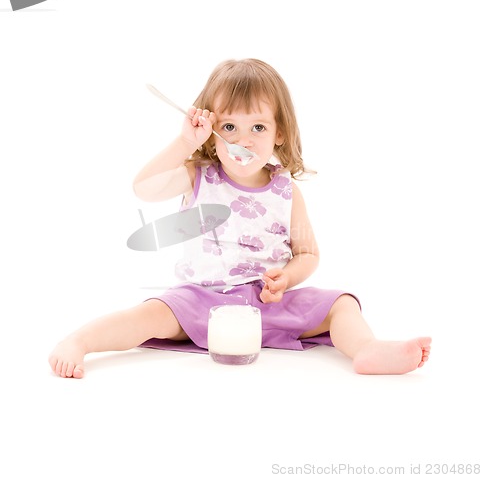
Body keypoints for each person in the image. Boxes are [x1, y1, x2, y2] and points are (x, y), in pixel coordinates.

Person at [49, 58, 431, 378]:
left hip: (267, 304)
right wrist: (184, 143)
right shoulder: (198, 175)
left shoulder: (285, 190)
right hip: (201, 302)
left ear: (279, 133)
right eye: (230, 127)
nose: (243, 140)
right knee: (148, 315)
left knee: (342, 303)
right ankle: (79, 342)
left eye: (258, 128)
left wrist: (288, 277)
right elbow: (144, 187)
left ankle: (366, 349)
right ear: (212, 131)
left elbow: (308, 253)